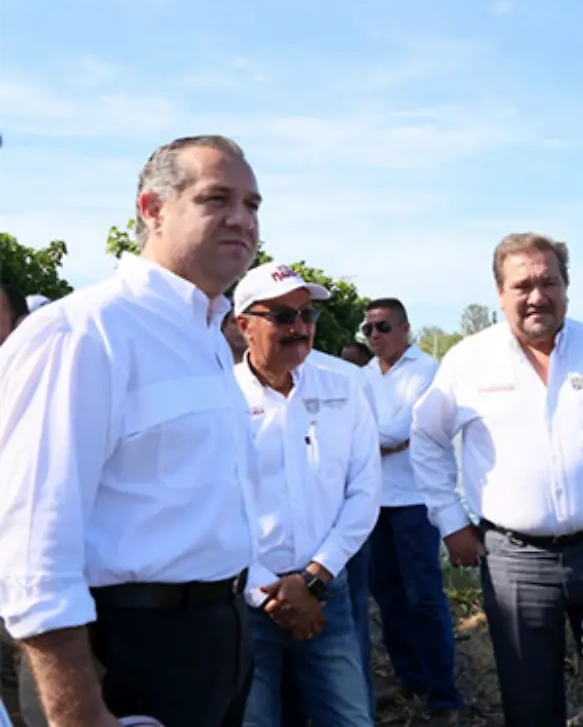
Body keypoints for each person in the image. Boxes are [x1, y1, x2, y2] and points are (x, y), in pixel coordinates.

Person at [0, 134, 262, 727]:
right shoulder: (82, 334)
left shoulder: (208, 338)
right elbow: (31, 550)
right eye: (216, 198)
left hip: (215, 642)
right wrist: (77, 713)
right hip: (117, 655)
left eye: (252, 205)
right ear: (152, 209)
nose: (241, 219)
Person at [410, 232, 583, 727]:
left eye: (548, 281)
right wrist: (451, 522)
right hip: (514, 559)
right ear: (500, 293)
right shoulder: (468, 359)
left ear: (566, 286)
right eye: (522, 285)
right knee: (531, 704)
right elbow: (427, 440)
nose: (536, 296)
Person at [231, 262, 381, 726]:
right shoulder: (219, 396)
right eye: (282, 317)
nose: (299, 328)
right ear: (244, 326)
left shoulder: (344, 387)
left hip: (325, 591)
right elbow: (211, 505)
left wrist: (313, 579)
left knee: (351, 718)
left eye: (306, 315)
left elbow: (364, 491)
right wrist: (268, 592)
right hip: (245, 599)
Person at [361, 298, 463, 722]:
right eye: (367, 329)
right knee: (386, 596)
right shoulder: (362, 376)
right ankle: (410, 677)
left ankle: (445, 695)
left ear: (405, 329)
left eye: (382, 327)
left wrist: (368, 439)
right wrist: (373, 439)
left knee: (424, 598)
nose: (374, 336)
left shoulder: (428, 372)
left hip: (415, 501)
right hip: (371, 502)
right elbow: (364, 434)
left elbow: (401, 432)